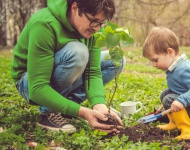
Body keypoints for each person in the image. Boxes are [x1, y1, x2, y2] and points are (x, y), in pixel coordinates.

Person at [10, 0, 124, 134]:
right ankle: (49, 112)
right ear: (75, 8)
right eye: (94, 21)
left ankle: (67, 105)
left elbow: (92, 71)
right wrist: (82, 112)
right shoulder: (44, 24)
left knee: (115, 60)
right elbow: (37, 87)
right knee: (78, 52)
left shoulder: (95, 28)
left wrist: (99, 104)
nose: (98, 28)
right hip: (29, 82)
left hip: (63, 70)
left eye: (102, 23)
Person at [142, 27, 190, 140]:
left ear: (170, 52)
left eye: (155, 60)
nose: (154, 65)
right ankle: (174, 123)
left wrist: (182, 100)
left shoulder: (184, 69)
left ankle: (189, 130)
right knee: (165, 94)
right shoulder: (174, 68)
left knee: (169, 99)